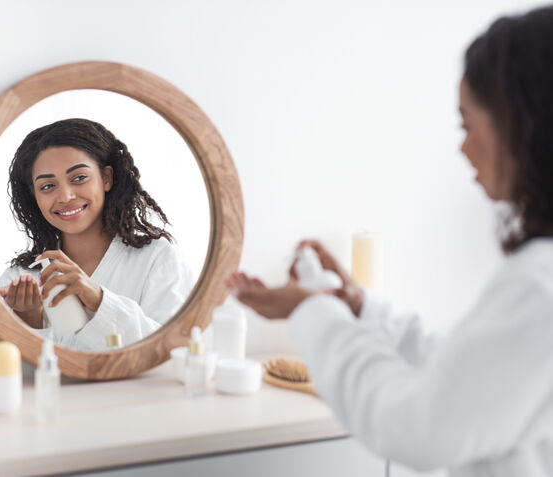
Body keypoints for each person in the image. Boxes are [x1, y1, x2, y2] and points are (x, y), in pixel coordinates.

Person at [229, 6, 553, 476]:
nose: (462, 150)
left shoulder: (538, 284)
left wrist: (311, 309)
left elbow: (418, 425)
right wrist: (358, 305)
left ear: (523, 124)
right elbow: (467, 375)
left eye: (467, 125)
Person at [0, 118, 193, 351]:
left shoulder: (158, 259)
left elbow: (173, 348)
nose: (65, 196)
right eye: (48, 186)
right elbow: (16, 375)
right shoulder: (19, 278)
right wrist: (29, 319)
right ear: (34, 197)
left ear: (106, 178)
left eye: (79, 178)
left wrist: (99, 300)